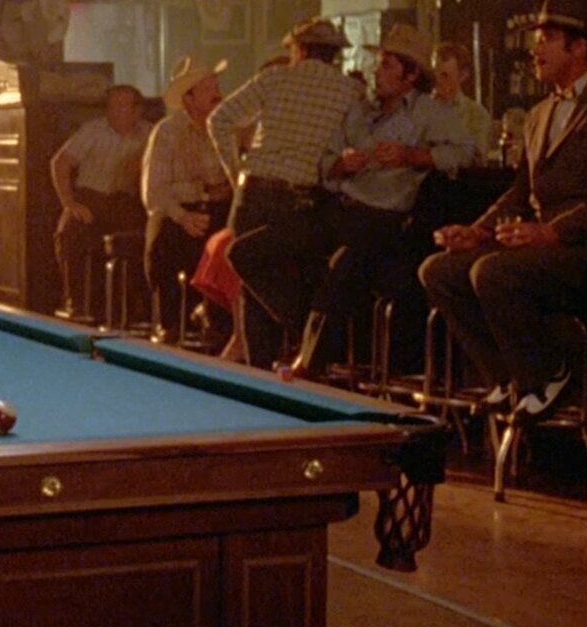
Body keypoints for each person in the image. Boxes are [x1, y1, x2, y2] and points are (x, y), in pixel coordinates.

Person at [419, 5, 587, 419]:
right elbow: (520, 192)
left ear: (579, 47)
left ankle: (547, 373)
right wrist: (477, 231)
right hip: (538, 247)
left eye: (545, 40)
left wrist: (551, 232)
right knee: (438, 270)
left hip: (584, 248)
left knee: (492, 272)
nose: (534, 51)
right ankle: (506, 376)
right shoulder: (538, 114)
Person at [294, 23, 475, 376]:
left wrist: (411, 156)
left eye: (387, 65)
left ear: (411, 75)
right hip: (338, 208)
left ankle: (310, 364)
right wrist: (342, 164)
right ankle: (294, 344)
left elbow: (466, 152)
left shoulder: (429, 111)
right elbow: (326, 163)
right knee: (267, 246)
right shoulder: (359, 109)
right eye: (378, 64)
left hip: (383, 218)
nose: (376, 72)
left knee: (344, 263)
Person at [209, 19, 361, 368]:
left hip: (255, 191)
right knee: (280, 273)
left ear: (299, 49)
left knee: (251, 285)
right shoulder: (349, 91)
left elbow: (219, 120)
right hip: (303, 199)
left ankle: (265, 365)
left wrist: (235, 171)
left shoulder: (275, 78)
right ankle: (304, 339)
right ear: (334, 54)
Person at [141, 57, 232, 347]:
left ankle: (220, 324)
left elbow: (234, 179)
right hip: (177, 212)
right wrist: (183, 216)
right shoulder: (167, 131)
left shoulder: (225, 129)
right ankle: (169, 323)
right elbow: (154, 192)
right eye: (208, 89)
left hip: (218, 211)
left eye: (216, 87)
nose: (217, 94)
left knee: (234, 245)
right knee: (163, 241)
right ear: (188, 98)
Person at [51, 84, 151, 319]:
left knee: (144, 237)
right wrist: (69, 203)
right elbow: (60, 162)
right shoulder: (93, 130)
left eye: (122, 106)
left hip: (127, 201)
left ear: (137, 111)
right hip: (90, 197)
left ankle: (128, 309)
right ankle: (76, 302)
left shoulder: (149, 133)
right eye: (111, 106)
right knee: (68, 232)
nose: (114, 112)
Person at [432, 41, 494, 160]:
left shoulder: (476, 115)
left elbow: (475, 157)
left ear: (462, 76)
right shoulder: (418, 110)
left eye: (445, 75)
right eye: (435, 74)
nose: (437, 81)